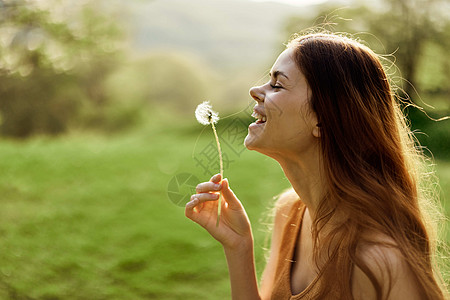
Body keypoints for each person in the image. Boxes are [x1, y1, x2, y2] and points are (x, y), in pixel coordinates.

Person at [185, 32, 447, 300]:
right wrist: (238, 247)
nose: (255, 91)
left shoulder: (378, 262)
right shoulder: (289, 212)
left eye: (277, 85)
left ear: (323, 119)